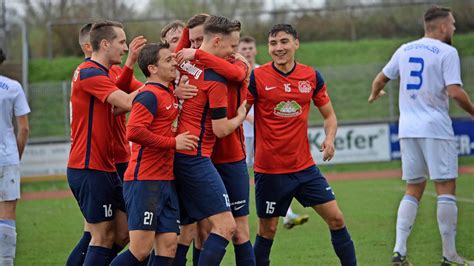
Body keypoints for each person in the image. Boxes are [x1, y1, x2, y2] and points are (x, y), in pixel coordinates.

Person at [369, 6, 474, 266]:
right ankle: (449, 256)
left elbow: (381, 78)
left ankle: (399, 252)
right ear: (442, 27)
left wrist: (374, 94)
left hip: (407, 129)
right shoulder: (448, 52)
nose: (454, 28)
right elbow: (455, 92)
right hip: (435, 128)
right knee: (445, 187)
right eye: (452, 24)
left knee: (414, 187)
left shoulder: (405, 49)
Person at [247, 24, 357, 266]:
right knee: (267, 231)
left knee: (337, 219)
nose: (279, 48)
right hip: (269, 171)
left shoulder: (311, 76)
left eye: (284, 42)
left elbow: (329, 116)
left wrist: (329, 139)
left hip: (304, 168)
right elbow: (239, 113)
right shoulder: (257, 77)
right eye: (273, 43)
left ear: (296, 43)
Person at [110, 42, 199, 265]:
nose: (174, 63)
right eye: (168, 60)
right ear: (152, 68)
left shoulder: (167, 91)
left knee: (169, 245)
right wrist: (173, 143)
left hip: (165, 181)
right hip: (144, 181)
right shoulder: (148, 95)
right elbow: (134, 131)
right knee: (140, 251)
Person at [66, 22, 145, 266]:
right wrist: (161, 87)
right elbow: (128, 101)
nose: (125, 47)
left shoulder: (103, 72)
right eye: (122, 42)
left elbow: (121, 105)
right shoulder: (89, 71)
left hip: (106, 165)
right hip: (89, 166)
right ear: (104, 44)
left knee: (121, 234)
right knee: (100, 236)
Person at [173, 15, 247, 266]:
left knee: (184, 231)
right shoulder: (216, 81)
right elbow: (221, 129)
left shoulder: (182, 64)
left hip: (180, 154)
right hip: (195, 157)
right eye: (231, 46)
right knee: (226, 226)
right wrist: (239, 116)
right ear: (216, 40)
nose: (234, 52)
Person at [238, 35, 310, 231]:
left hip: (266, 135)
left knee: (274, 173)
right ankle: (235, 213)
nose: (247, 52)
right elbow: (237, 106)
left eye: (250, 48)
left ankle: (287, 213)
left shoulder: (263, 70)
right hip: (243, 133)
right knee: (242, 175)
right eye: (243, 48)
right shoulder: (238, 73)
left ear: (255, 50)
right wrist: (248, 118)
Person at [0, 48, 30, 266]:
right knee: (7, 212)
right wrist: (16, 156)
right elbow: (24, 128)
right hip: (7, 156)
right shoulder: (12, 86)